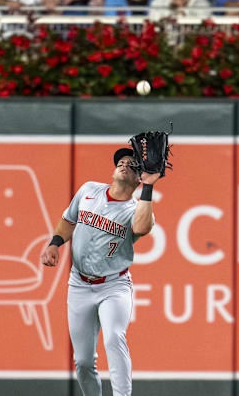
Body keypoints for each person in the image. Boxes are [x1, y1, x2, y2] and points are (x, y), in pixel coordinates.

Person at [40, 147, 161, 396]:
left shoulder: (135, 209)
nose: (124, 164)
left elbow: (141, 227)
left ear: (139, 177)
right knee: (83, 362)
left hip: (113, 285)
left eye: (132, 164)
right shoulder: (88, 190)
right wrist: (54, 243)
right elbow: (68, 220)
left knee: (113, 337)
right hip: (79, 284)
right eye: (122, 161)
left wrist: (148, 187)